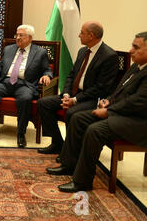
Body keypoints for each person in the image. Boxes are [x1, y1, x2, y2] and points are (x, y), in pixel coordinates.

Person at [46, 32, 147, 192]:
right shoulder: (137, 65)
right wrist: (109, 101)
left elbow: (137, 102)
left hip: (142, 123)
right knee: (78, 118)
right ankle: (69, 164)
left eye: (136, 47)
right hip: (125, 113)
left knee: (95, 130)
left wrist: (109, 111)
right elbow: (120, 90)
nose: (131, 50)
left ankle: (82, 182)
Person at [37, 21, 118, 155]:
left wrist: (75, 100)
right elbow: (72, 75)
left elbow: (101, 88)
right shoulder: (82, 51)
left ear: (91, 36)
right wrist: (67, 94)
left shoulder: (109, 56)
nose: (79, 35)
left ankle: (71, 152)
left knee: (71, 112)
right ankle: (58, 143)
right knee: (43, 103)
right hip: (74, 94)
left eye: (82, 32)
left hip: (92, 99)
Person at [0, 25, 52, 148]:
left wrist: (47, 76)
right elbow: (1, 67)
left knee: (25, 99)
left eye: (21, 35)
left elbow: (47, 70)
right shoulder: (9, 49)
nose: (18, 38)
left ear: (30, 38)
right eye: (17, 35)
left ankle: (21, 133)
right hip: (6, 82)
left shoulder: (40, 52)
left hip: (25, 85)